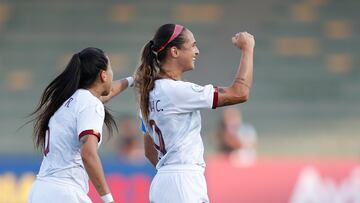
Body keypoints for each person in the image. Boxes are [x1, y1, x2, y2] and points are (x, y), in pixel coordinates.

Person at [134, 23, 255, 203]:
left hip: (162, 182)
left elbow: (149, 152)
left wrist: (170, 172)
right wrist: (248, 49)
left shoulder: (148, 94)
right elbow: (239, 93)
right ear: (174, 52)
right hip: (185, 182)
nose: (196, 51)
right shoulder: (177, 91)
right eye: (192, 46)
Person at [28, 47, 133, 203]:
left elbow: (108, 93)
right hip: (65, 192)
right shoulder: (90, 104)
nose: (112, 73)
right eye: (110, 68)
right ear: (103, 75)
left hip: (40, 191)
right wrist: (108, 200)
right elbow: (87, 153)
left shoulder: (67, 100)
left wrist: (133, 80)